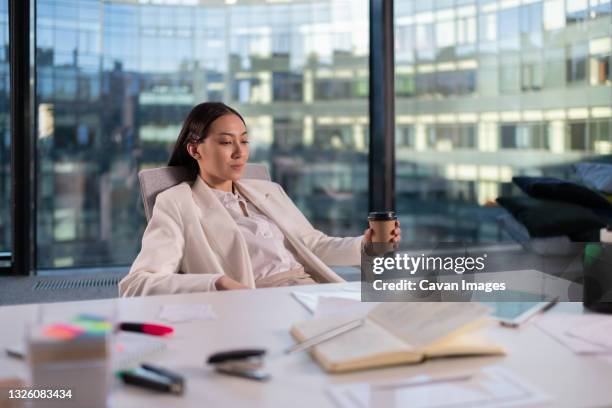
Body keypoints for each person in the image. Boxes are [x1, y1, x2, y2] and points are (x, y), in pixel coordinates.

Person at [119, 102, 401, 296]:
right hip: (265, 300)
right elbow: (137, 284)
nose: (239, 152)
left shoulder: (269, 191)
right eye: (226, 142)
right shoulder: (178, 202)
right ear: (194, 149)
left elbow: (314, 245)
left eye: (244, 141)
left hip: (314, 290)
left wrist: (368, 246)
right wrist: (217, 283)